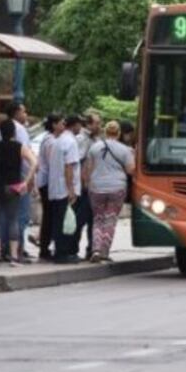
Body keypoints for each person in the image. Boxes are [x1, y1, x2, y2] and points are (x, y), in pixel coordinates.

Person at [84, 121, 135, 262]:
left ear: (105, 132)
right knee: (110, 220)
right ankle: (104, 252)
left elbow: (88, 169)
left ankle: (95, 249)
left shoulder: (94, 147)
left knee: (98, 219)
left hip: (97, 188)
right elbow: (131, 170)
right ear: (118, 133)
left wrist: (88, 184)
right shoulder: (125, 150)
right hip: (117, 188)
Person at [0, 119, 37, 266]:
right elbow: (34, 163)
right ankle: (14, 257)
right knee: (13, 220)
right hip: (14, 186)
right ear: (14, 133)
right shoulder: (19, 147)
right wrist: (26, 181)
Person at [47, 115, 83, 264]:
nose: (81, 128)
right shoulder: (70, 142)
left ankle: (59, 252)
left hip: (55, 188)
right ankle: (63, 253)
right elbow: (69, 167)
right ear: (74, 126)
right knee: (66, 222)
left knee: (58, 221)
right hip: (64, 189)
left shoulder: (59, 141)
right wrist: (71, 190)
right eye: (80, 125)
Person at [33, 113, 62, 260]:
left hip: (45, 182)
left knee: (48, 216)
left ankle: (44, 247)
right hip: (48, 183)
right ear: (54, 125)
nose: (63, 126)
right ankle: (44, 249)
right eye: (61, 123)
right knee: (49, 216)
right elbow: (53, 162)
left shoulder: (48, 139)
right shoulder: (50, 141)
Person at [75, 111, 102, 259]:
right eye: (97, 123)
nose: (99, 126)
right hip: (84, 186)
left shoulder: (96, 140)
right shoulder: (81, 139)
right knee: (80, 219)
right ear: (89, 124)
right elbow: (79, 163)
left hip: (94, 186)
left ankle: (91, 249)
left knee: (93, 219)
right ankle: (73, 249)